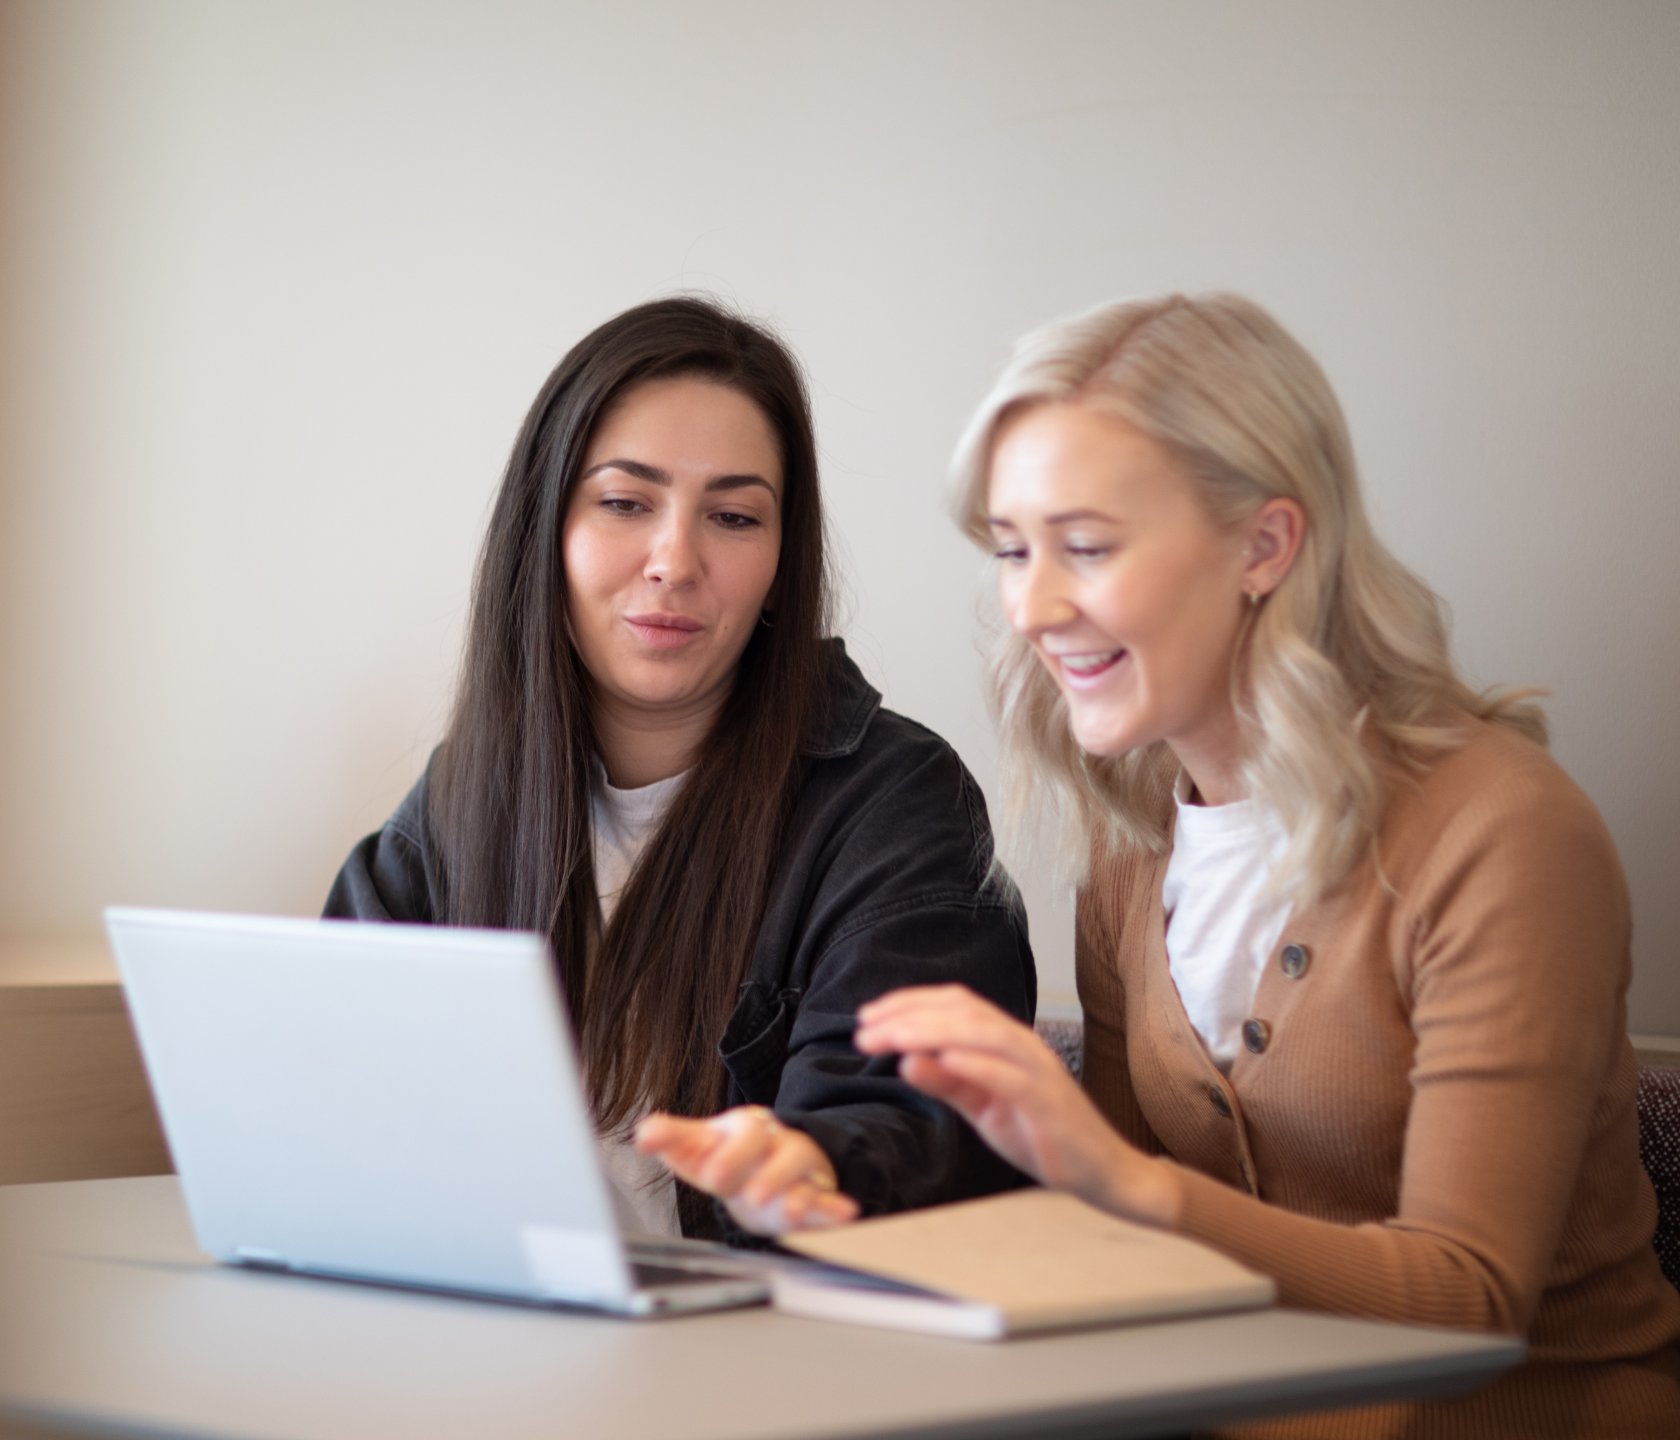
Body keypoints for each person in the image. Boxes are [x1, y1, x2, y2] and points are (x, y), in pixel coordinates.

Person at [847, 294, 1680, 1437]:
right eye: (1012, 550)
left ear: (1265, 545)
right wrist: (831, 1210)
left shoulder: (1505, 833)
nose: (1032, 608)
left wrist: (1125, 1186)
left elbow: (1472, 1299)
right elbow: (1111, 1259)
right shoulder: (1132, 840)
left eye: (1086, 546)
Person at [325, 295, 1034, 1241]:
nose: (675, 560)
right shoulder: (468, 798)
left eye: (735, 517)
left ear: (783, 557)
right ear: (547, 531)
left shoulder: (893, 805)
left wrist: (797, 1169)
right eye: (625, 503)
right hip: (491, 1349)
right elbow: (329, 1088)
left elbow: (902, 1138)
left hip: (763, 1361)